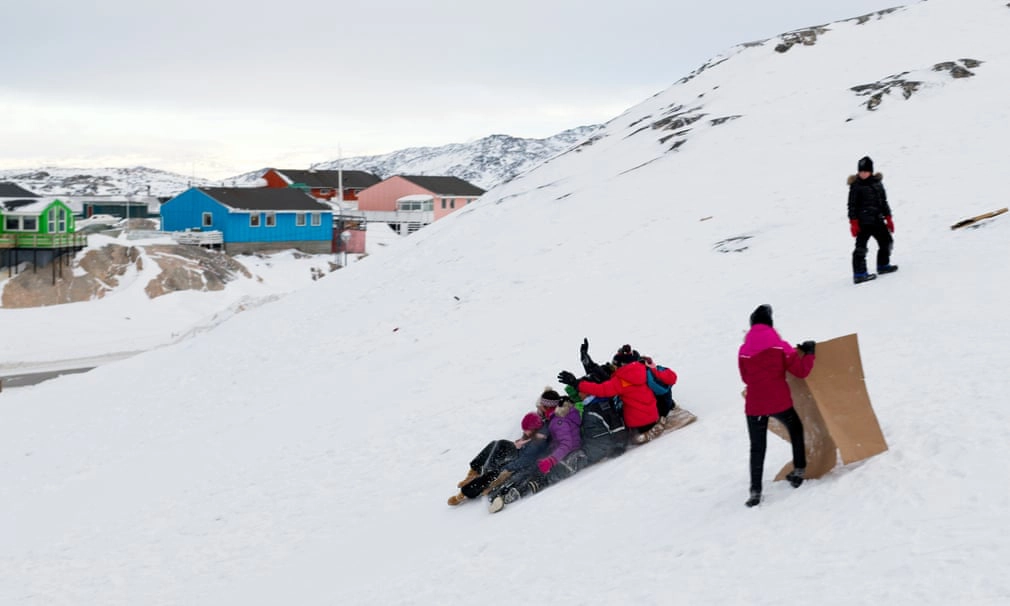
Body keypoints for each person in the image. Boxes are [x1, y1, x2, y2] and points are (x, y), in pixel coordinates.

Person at [738, 304, 816, 507]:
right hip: (779, 401)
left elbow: (745, 377)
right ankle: (798, 471)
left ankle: (755, 492)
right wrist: (809, 354)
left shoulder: (744, 350)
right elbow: (801, 371)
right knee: (796, 429)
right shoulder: (781, 346)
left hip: (754, 405)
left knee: (757, 448)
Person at [487, 396, 586, 513]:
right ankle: (500, 492)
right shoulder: (555, 418)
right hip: (555, 452)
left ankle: (510, 493)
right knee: (530, 468)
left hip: (564, 456)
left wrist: (551, 460)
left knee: (534, 472)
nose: (539, 411)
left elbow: (566, 444)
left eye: (542, 408)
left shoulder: (559, 421)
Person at [559, 344, 664, 445]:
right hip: (653, 415)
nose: (613, 367)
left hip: (639, 424)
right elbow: (607, 379)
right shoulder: (641, 371)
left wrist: (576, 383)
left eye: (615, 365)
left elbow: (601, 388)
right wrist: (588, 362)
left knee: (608, 405)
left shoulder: (621, 381)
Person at [448, 411, 547, 506]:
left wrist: (506, 468)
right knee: (495, 444)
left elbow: (525, 460)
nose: (524, 431)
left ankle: (463, 494)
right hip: (515, 455)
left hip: (515, 465)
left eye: (526, 429)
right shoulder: (530, 434)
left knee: (492, 472)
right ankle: (474, 472)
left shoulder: (537, 441)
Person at [848, 155, 898, 284]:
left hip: (877, 220)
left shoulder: (877, 184)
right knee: (861, 248)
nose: (863, 174)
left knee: (886, 242)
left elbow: (883, 202)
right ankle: (859, 273)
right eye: (861, 171)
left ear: (870, 171)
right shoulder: (856, 186)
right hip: (863, 223)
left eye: (865, 171)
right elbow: (852, 206)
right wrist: (853, 222)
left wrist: (888, 217)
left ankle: (883, 265)